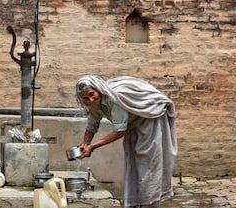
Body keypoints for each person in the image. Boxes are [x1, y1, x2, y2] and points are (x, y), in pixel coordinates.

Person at [74, 75, 177, 208]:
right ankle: (136, 202)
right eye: (86, 98)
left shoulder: (114, 99)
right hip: (133, 123)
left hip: (149, 118)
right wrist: (85, 144)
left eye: (92, 94)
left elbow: (119, 132)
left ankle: (150, 203)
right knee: (133, 161)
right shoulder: (93, 103)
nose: (91, 99)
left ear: (98, 89)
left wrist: (92, 147)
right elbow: (92, 125)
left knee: (148, 163)